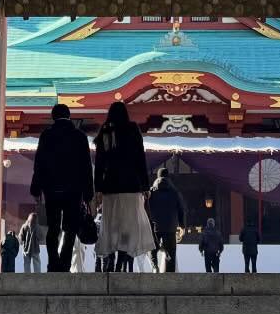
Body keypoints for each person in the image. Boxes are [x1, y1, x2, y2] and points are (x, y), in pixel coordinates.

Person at [29, 103, 93, 273]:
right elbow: (86, 166)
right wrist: (88, 192)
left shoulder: (47, 135)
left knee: (53, 227)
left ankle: (53, 262)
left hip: (52, 189)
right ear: (69, 116)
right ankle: (64, 263)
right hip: (74, 190)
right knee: (70, 228)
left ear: (53, 116)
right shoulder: (79, 136)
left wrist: (36, 189)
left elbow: (39, 164)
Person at [92, 101, 152, 275]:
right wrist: (145, 185)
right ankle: (121, 260)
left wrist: (98, 189)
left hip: (111, 186)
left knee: (112, 225)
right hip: (131, 187)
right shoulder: (132, 129)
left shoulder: (106, 131)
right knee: (128, 227)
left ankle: (109, 259)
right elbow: (140, 158)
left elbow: (100, 162)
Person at [147, 167, 186, 273]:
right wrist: (182, 225)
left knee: (152, 247)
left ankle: (155, 267)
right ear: (168, 177)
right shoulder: (175, 192)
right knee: (171, 252)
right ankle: (170, 275)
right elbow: (181, 209)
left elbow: (146, 208)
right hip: (170, 226)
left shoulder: (151, 192)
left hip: (155, 226)